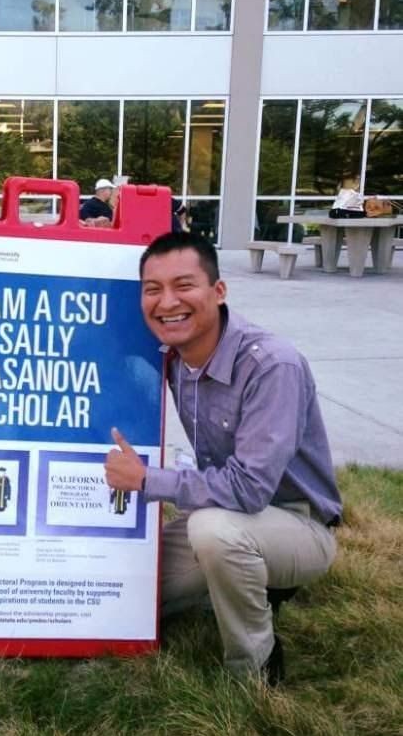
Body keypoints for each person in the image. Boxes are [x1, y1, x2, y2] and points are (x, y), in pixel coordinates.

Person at [105, 231, 341, 684]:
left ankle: (255, 665)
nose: (167, 301)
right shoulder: (174, 356)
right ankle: (250, 582)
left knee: (213, 531)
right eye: (152, 290)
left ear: (219, 291)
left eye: (184, 285)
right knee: (129, 592)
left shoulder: (273, 364)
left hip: (298, 523)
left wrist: (146, 480)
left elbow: (250, 489)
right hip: (227, 514)